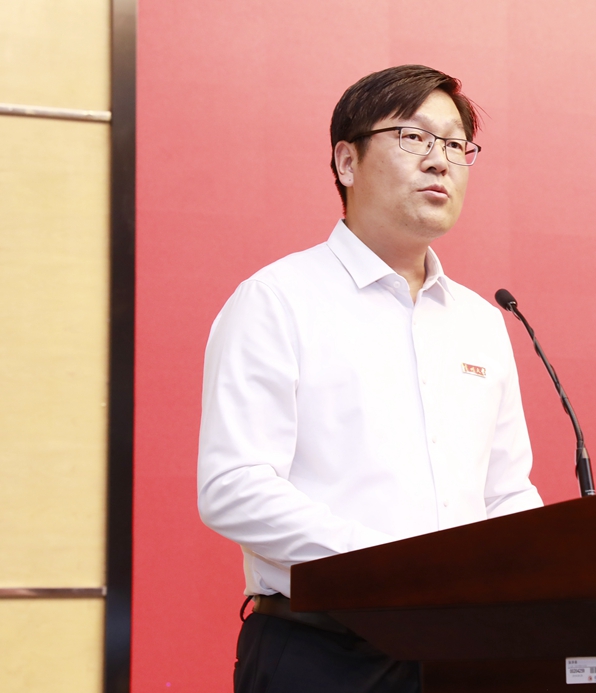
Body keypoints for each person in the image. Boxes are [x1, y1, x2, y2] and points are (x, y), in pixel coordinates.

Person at [197, 65, 543, 693]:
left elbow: (504, 494)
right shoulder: (278, 299)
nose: (439, 161)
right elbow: (234, 487)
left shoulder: (481, 321)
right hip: (323, 652)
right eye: (414, 137)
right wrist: (389, 571)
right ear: (346, 161)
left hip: (463, 655)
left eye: (456, 145)